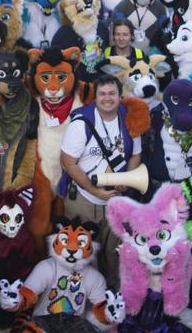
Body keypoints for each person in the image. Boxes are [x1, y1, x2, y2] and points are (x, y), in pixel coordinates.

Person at [59, 74, 142, 277]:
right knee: (80, 254)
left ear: (120, 96)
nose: (107, 98)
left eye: (112, 93)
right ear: (95, 97)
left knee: (114, 255)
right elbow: (67, 163)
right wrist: (95, 190)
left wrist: (128, 180)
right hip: (83, 198)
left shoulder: (130, 119)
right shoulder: (81, 124)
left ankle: (111, 298)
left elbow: (136, 155)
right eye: (102, 94)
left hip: (116, 199)